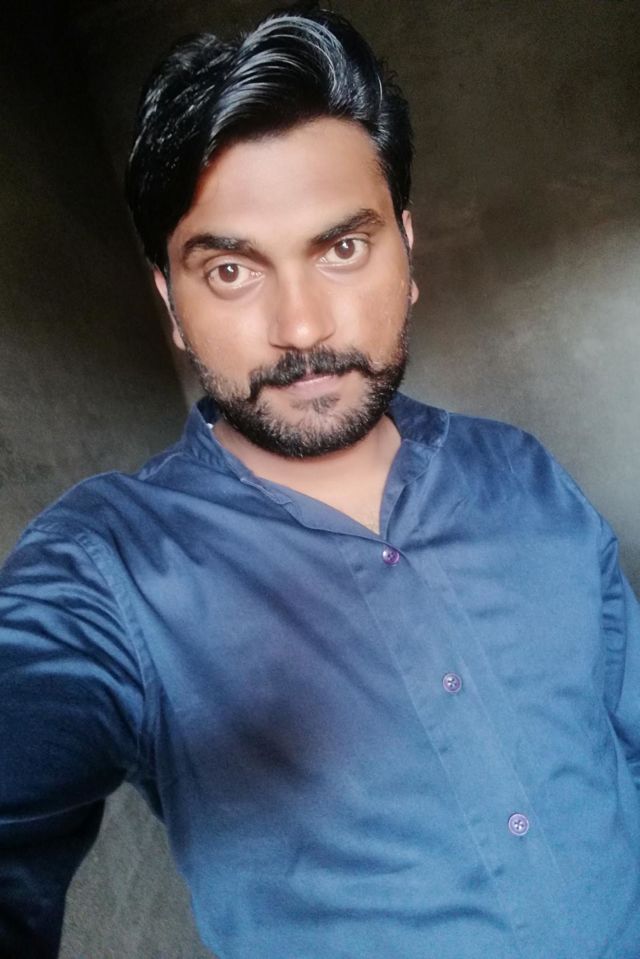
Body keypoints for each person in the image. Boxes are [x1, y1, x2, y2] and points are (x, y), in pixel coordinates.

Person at [1, 5, 639, 958]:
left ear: (406, 251)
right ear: (171, 303)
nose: (301, 327)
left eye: (342, 247)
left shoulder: (523, 473)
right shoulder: (108, 572)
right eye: (230, 269)